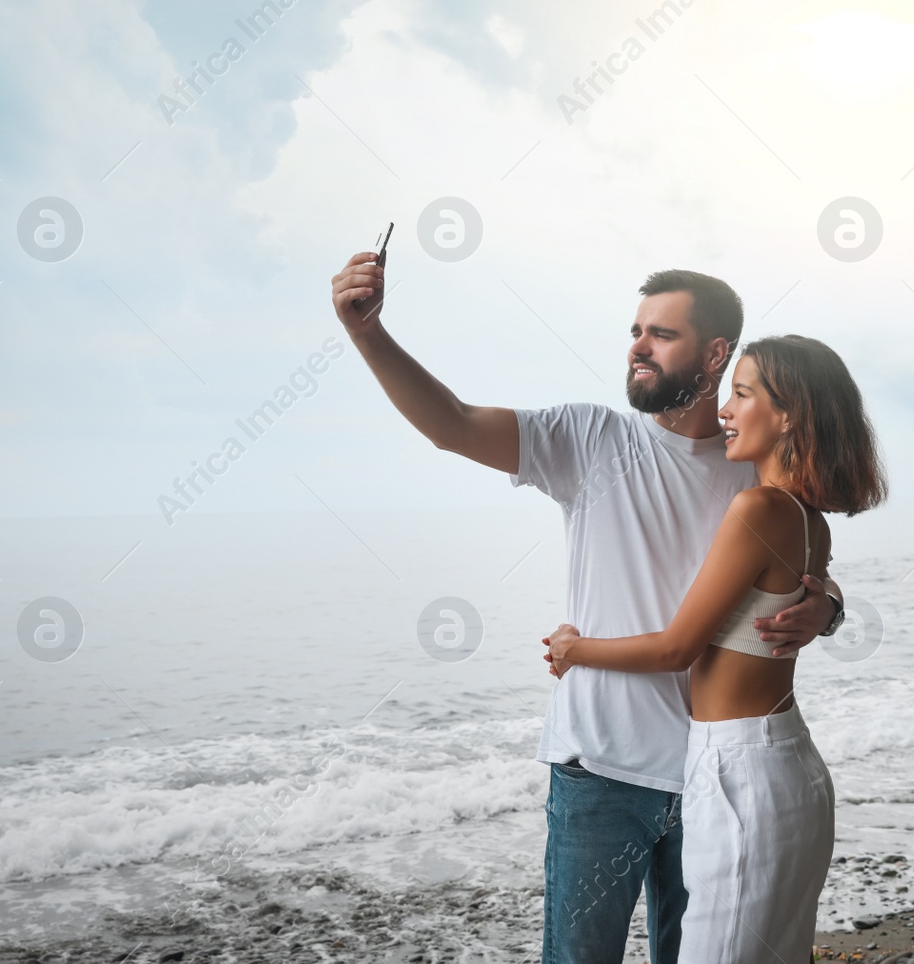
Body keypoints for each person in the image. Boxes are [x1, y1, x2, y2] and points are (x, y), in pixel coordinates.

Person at [329, 254, 849, 964]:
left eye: (661, 333)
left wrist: (829, 608)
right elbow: (449, 424)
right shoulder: (590, 439)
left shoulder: (751, 461)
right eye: (635, 329)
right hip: (601, 771)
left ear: (715, 352)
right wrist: (368, 335)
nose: (637, 345)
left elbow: (802, 561)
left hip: (712, 775)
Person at [544, 334, 886, 963]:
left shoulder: (757, 508)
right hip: (778, 758)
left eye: (742, 393)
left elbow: (677, 648)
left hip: (742, 772)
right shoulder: (809, 520)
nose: (724, 409)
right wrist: (831, 606)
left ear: (788, 415)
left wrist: (576, 647)